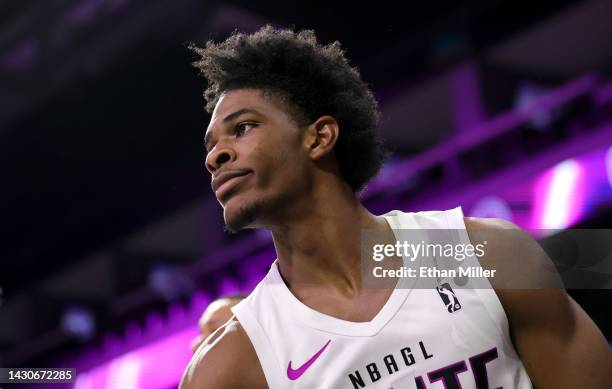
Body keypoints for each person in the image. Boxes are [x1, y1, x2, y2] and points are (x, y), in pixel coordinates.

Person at [180, 26, 612, 388]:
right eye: (211, 145)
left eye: (243, 128)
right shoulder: (236, 362)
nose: (214, 156)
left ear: (319, 137)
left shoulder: (481, 256)